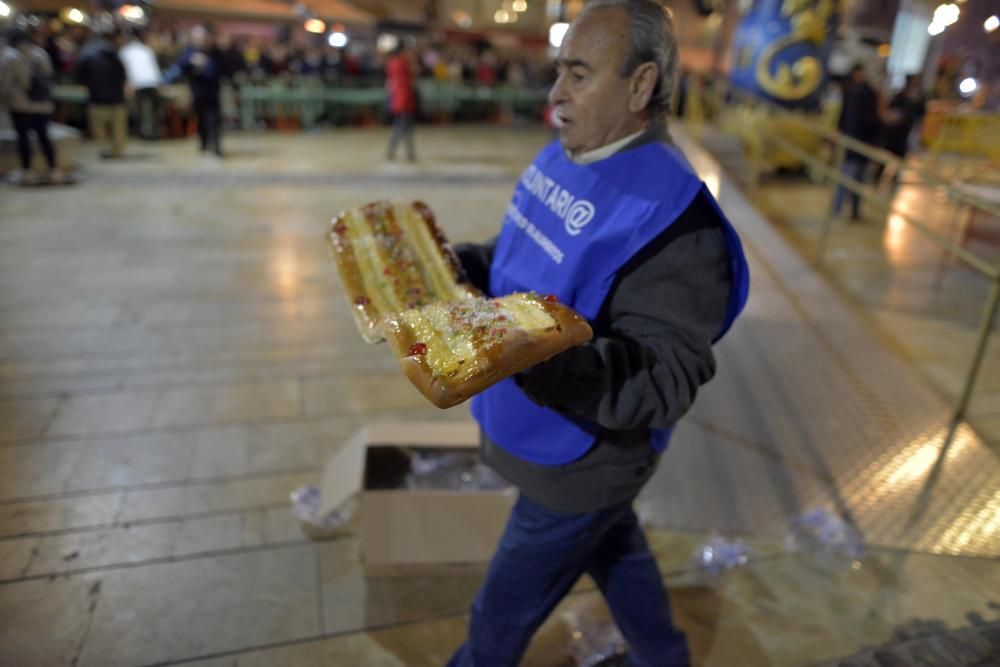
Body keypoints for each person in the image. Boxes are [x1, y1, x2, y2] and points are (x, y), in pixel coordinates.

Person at [447, 2, 750, 666]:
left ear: (640, 86)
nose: (556, 93)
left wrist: (538, 359)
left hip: (583, 463)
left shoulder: (675, 219)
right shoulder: (570, 153)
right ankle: (664, 655)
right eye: (560, 71)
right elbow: (528, 247)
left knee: (498, 615)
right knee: (616, 549)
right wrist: (464, 262)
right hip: (542, 437)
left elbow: (665, 376)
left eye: (579, 75)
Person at [0, 24, 64, 185]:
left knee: (23, 139)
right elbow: (49, 77)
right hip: (42, 105)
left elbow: (5, 84)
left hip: (20, 106)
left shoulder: (9, 57)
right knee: (44, 137)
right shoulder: (40, 53)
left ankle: (27, 171)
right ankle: (53, 169)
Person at [165, 25, 223, 157]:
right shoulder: (190, 52)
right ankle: (203, 144)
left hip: (212, 92)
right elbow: (181, 66)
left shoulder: (215, 53)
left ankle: (216, 146)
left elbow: (219, 71)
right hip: (197, 92)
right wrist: (192, 62)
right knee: (202, 119)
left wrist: (207, 65)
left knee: (213, 119)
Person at [831, 64, 879, 221]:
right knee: (846, 178)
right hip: (850, 142)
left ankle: (854, 211)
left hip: (863, 142)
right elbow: (843, 115)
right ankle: (837, 209)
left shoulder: (868, 93)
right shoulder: (849, 91)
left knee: (858, 180)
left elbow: (872, 120)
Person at [76, 26, 128, 159]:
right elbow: (122, 74)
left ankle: (103, 150)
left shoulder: (87, 53)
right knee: (118, 128)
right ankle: (117, 152)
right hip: (117, 98)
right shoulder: (115, 54)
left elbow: (81, 76)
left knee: (99, 127)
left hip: (97, 97)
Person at [876, 74, 926, 184]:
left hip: (905, 133)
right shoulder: (900, 96)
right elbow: (890, 109)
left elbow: (920, 115)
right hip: (893, 133)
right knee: (885, 158)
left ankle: (894, 180)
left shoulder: (919, 99)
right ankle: (878, 177)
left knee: (900, 159)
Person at [118, 29, 162, 140]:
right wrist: (158, 83)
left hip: (137, 83)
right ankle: (151, 132)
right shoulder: (147, 50)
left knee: (138, 110)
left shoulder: (124, 51)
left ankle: (142, 133)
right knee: (151, 110)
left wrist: (128, 84)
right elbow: (154, 68)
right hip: (151, 82)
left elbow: (125, 70)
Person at [384, 43, 417, 162]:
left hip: (397, 99)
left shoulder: (392, 62)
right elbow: (407, 82)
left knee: (401, 126)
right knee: (403, 127)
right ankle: (408, 152)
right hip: (403, 99)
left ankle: (399, 151)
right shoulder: (403, 63)